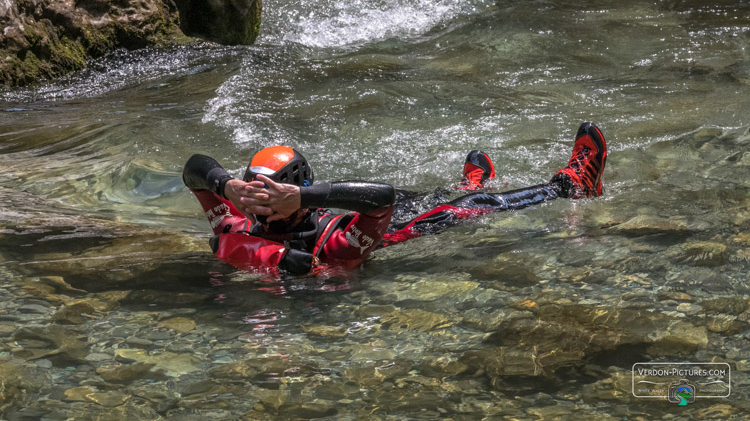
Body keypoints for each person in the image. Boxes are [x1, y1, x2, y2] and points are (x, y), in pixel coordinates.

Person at [182, 122, 607, 275]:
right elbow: (195, 169)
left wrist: (302, 197)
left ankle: (474, 184)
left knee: (411, 193)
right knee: (466, 211)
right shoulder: (238, 226)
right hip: (386, 232)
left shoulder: (328, 235)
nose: (259, 207)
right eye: (254, 196)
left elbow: (382, 197)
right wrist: (227, 188)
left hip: (354, 216)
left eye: (271, 196)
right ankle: (571, 184)